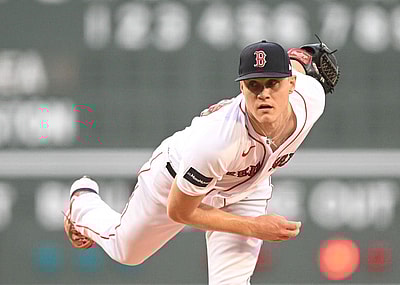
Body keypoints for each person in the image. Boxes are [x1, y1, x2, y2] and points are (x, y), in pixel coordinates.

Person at [64, 39, 339, 284]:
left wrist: (298, 57)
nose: (264, 93)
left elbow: (300, 68)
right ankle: (83, 204)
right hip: (175, 180)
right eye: (253, 85)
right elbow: (180, 212)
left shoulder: (311, 99)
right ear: (242, 88)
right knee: (126, 251)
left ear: (291, 84)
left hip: (244, 190)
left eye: (272, 83)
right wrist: (255, 227)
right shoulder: (218, 141)